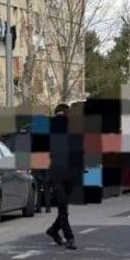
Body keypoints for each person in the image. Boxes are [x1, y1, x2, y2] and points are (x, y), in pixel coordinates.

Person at [45, 103, 78, 250]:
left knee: (64, 208)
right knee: (63, 206)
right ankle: (69, 237)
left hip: (69, 173)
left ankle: (53, 230)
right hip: (56, 173)